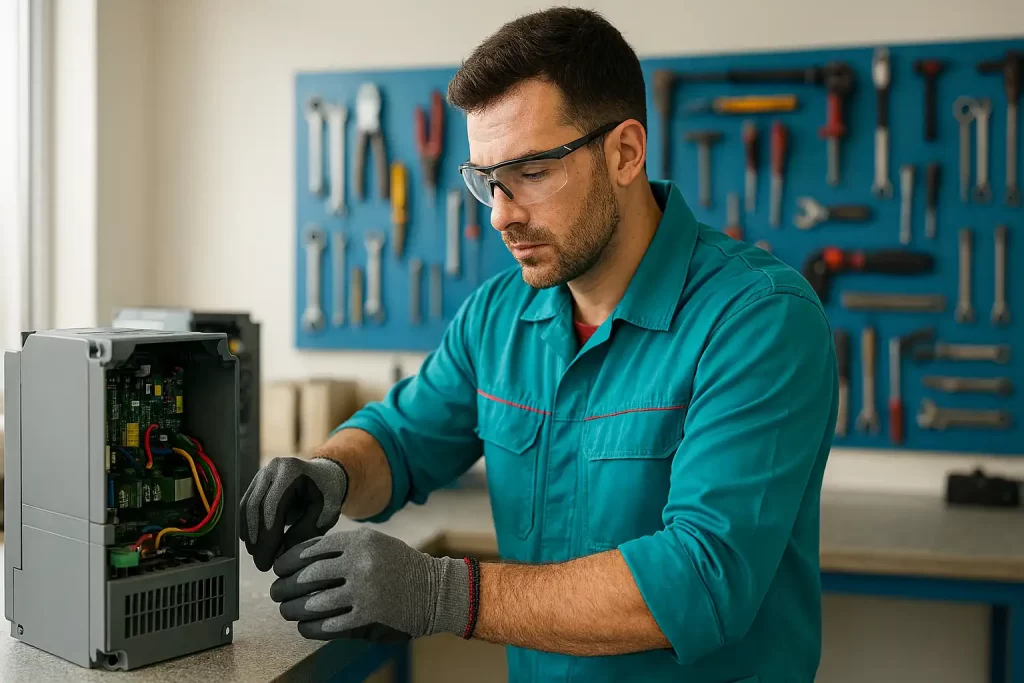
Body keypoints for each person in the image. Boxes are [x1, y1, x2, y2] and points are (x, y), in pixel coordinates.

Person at [241, 6, 837, 682]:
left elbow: (702, 578)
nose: (501, 213)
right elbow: (402, 435)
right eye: (489, 181)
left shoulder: (759, 319)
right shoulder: (498, 316)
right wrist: (332, 471)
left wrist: (442, 593)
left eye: (530, 171)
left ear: (625, 152)